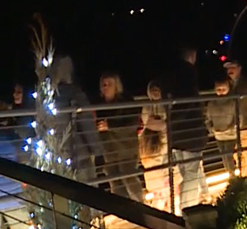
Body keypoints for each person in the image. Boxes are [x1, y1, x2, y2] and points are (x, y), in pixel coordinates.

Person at [166, 47, 207, 210]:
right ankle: (187, 209)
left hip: (177, 134)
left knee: (186, 171)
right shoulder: (189, 75)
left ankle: (188, 205)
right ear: (192, 56)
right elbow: (189, 103)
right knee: (191, 173)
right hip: (191, 132)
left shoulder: (171, 75)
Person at [94, 72, 145, 201]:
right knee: (115, 182)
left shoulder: (126, 102)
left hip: (126, 148)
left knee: (129, 178)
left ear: (116, 86)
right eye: (103, 84)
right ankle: (123, 209)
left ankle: (141, 206)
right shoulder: (99, 105)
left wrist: (110, 125)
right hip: (109, 151)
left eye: (109, 84)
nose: (105, 87)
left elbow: (132, 123)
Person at [53, 56, 100, 183]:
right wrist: (95, 149)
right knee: (88, 189)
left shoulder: (48, 97)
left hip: (56, 157)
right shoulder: (75, 93)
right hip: (78, 152)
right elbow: (86, 122)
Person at [139, 80, 177, 211]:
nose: (155, 93)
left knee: (166, 169)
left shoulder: (166, 104)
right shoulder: (147, 106)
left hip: (161, 140)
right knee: (155, 172)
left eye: (157, 90)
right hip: (150, 142)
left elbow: (155, 122)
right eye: (153, 90)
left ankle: (170, 207)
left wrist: (157, 124)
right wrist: (159, 124)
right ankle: (160, 208)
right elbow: (148, 122)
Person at [206, 77, 239, 176]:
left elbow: (238, 117)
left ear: (228, 89)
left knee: (229, 156)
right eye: (219, 89)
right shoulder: (211, 104)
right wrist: (211, 129)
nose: (221, 92)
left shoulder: (233, 102)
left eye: (224, 89)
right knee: (224, 157)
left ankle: (233, 174)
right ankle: (230, 173)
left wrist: (233, 127)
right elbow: (207, 119)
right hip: (218, 135)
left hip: (231, 135)